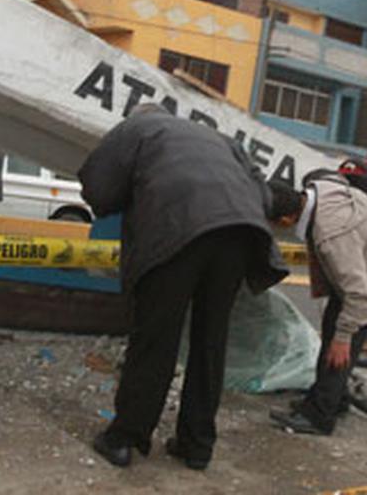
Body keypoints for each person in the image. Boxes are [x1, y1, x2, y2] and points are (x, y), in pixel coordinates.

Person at [77, 104, 287, 470]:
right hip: (240, 233)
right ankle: (196, 445)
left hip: (178, 229)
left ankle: (124, 437)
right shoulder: (217, 137)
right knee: (210, 340)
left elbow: (98, 188)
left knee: (156, 336)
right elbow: (265, 196)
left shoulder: (138, 128)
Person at [266, 175, 367, 436]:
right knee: (333, 331)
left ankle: (320, 417)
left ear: (287, 220)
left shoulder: (331, 234)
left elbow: (358, 293)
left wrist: (344, 337)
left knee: (339, 348)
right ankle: (333, 399)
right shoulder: (320, 193)